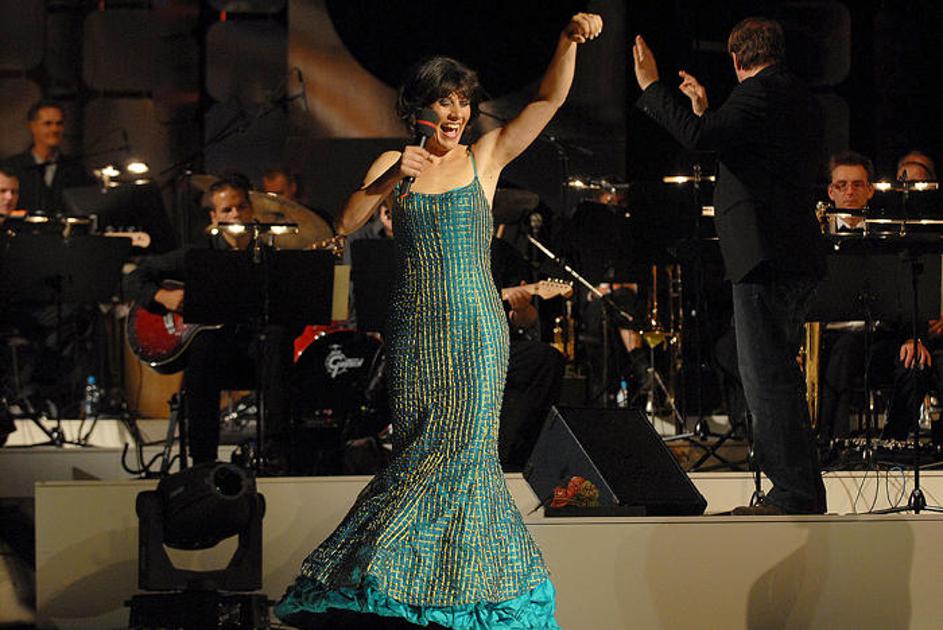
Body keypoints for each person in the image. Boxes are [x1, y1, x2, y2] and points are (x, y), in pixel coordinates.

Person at [276, 12, 603, 629]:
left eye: (463, 102)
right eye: (445, 101)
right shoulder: (392, 164)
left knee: (464, 457)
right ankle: (409, 584)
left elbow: (548, 101)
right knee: (417, 454)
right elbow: (345, 222)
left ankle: (471, 594)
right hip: (414, 334)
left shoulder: (486, 156)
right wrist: (391, 177)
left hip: (476, 331)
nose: (457, 113)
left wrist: (566, 41)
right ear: (418, 108)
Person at [633, 17, 826, 514]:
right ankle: (802, 490)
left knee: (767, 379)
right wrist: (705, 111)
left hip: (765, 256)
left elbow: (698, 137)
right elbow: (733, 141)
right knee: (777, 376)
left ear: (737, 59)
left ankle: (793, 494)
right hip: (789, 254)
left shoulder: (760, 92)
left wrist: (652, 86)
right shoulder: (793, 94)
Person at [124, 173, 295, 467]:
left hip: (256, 354)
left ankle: (274, 451)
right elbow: (134, 278)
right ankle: (203, 460)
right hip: (215, 356)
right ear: (215, 217)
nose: (236, 214)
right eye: (227, 210)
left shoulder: (268, 258)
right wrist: (162, 296)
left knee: (277, 338)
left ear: (251, 210)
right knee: (205, 346)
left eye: (241, 207)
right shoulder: (198, 255)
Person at [815, 152, 932, 444]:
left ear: (869, 190)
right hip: (830, 341)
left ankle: (893, 441)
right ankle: (830, 443)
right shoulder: (815, 242)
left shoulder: (887, 240)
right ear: (830, 191)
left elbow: (908, 293)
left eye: (857, 185)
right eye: (841, 185)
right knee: (844, 353)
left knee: (915, 362)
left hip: (879, 337)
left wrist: (913, 337)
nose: (849, 192)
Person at [2, 100, 94, 213]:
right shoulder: (13, 167)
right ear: (32, 126)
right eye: (48, 124)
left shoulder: (75, 169)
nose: (54, 129)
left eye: (59, 124)